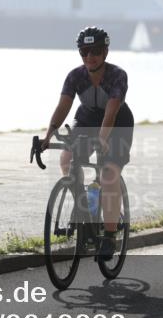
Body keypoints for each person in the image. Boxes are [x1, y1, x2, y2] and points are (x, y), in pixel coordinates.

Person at [40, 27, 133, 260]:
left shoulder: (117, 76)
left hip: (118, 122)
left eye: (96, 51)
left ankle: (110, 236)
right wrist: (48, 135)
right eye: (84, 51)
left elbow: (110, 114)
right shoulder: (75, 76)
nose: (90, 56)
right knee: (66, 159)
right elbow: (63, 107)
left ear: (105, 52)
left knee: (109, 174)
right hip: (87, 117)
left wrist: (102, 139)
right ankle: (85, 208)